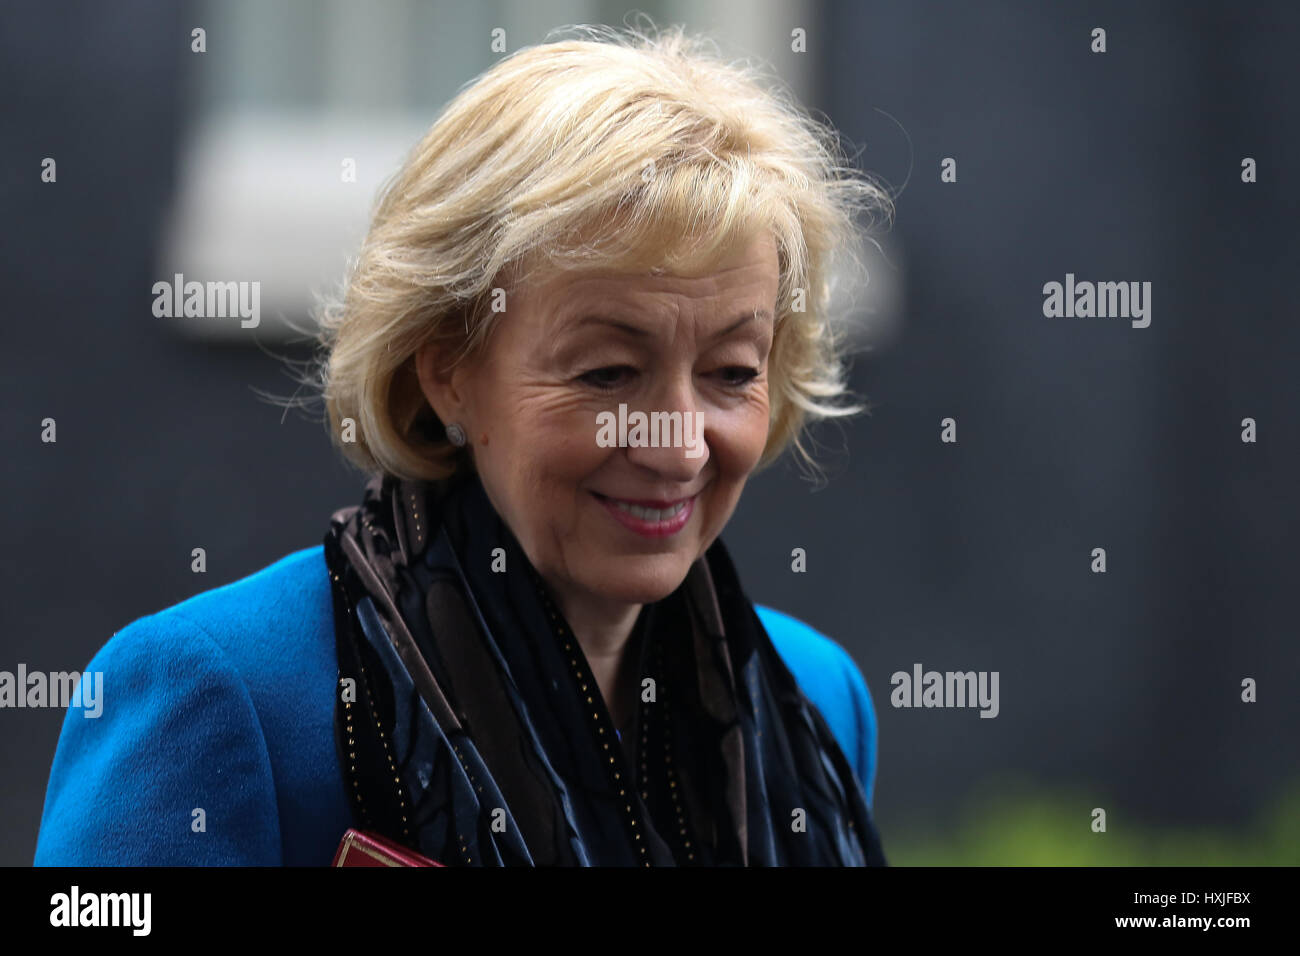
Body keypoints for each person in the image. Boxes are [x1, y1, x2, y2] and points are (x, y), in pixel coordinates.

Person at [34, 23, 892, 866]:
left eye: (732, 371)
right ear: (446, 370)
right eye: (606, 373)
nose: (675, 445)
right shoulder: (221, 696)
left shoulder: (816, 700)